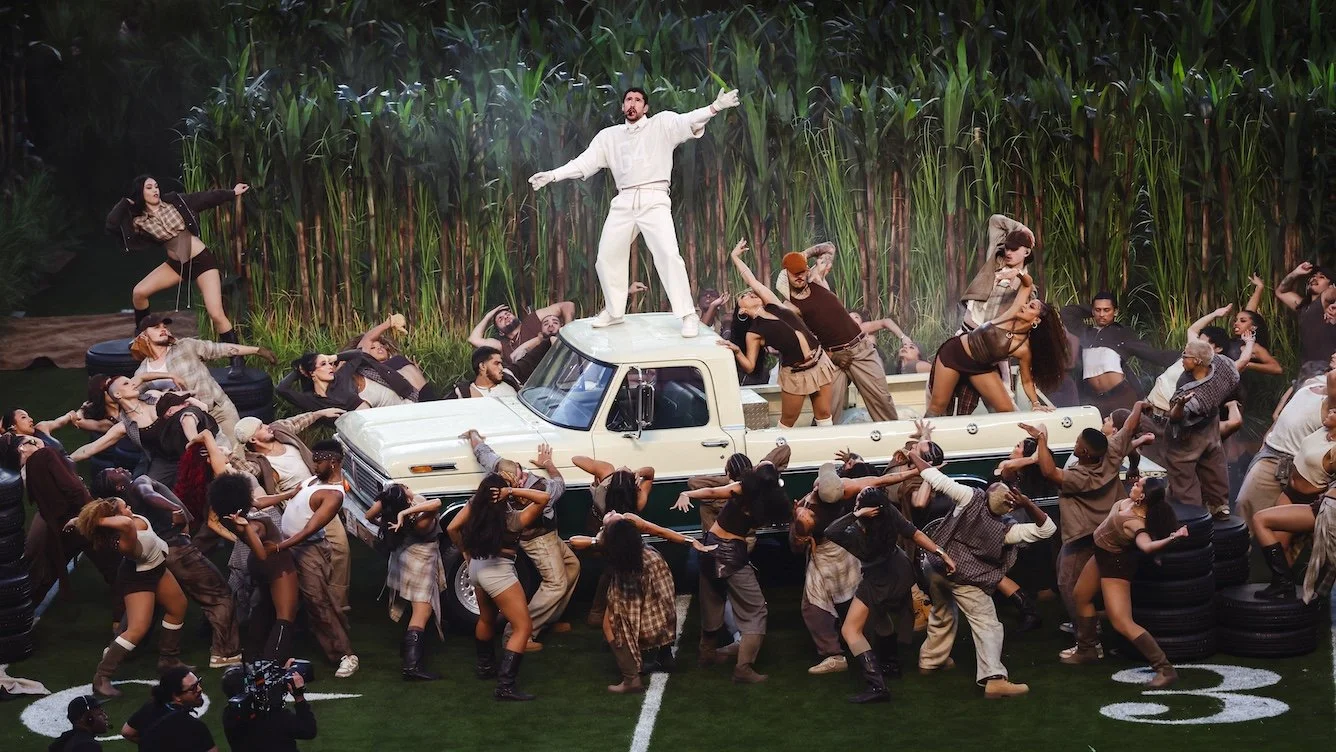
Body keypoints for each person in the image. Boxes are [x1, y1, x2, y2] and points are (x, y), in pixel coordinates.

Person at [528, 85, 742, 338]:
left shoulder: (661, 124)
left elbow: (688, 120)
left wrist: (715, 107)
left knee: (668, 255)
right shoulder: (609, 136)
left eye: (638, 100)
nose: (632, 104)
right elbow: (584, 162)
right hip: (624, 199)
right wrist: (553, 175)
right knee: (606, 257)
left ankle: (687, 314)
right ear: (622, 106)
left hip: (655, 197)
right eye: (628, 99)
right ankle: (614, 311)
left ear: (646, 107)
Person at [908, 449, 1057, 699]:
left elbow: (934, 477)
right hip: (965, 579)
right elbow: (1048, 530)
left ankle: (931, 661)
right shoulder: (1008, 531)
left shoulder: (969, 497)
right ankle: (994, 679)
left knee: (943, 611)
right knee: (988, 624)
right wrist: (1028, 504)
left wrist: (913, 454)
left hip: (935, 567)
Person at [1020, 403, 1148, 644]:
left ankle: (1087, 635)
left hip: (1086, 536)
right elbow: (1129, 427)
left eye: (1078, 442)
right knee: (1067, 572)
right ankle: (1089, 624)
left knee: (1068, 583)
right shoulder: (1110, 452)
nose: (1075, 443)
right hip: (1108, 529)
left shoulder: (1081, 477)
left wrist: (1041, 440)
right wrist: (1139, 406)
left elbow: (1049, 472)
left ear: (1085, 453)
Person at [788, 459, 928, 677]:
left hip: (845, 550)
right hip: (837, 553)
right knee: (819, 606)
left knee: (857, 606)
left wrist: (918, 471)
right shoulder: (824, 498)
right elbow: (883, 480)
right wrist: (920, 471)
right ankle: (841, 654)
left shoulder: (824, 505)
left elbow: (883, 480)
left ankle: (873, 661)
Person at [93, 468, 241, 669]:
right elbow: (148, 493)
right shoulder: (139, 482)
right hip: (176, 550)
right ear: (119, 487)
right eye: (116, 472)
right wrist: (175, 509)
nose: (121, 468)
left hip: (150, 558)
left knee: (145, 610)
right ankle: (225, 653)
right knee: (219, 595)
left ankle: (119, 651)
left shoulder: (121, 510)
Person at [825, 486, 956, 703]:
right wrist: (942, 554)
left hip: (879, 579)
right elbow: (915, 534)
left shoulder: (856, 535)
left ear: (866, 510)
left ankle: (877, 686)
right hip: (900, 570)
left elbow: (830, 531)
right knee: (880, 616)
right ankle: (891, 665)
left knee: (850, 630)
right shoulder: (889, 513)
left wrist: (856, 514)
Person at [1062, 477, 1188, 689]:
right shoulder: (1129, 503)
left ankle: (1165, 669)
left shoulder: (1135, 523)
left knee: (1121, 621)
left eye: (1138, 485)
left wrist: (1173, 538)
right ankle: (1087, 649)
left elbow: (1147, 546)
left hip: (1116, 564)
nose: (1134, 484)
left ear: (1143, 496)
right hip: (1102, 554)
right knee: (1080, 596)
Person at [675, 462, 791, 683]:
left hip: (710, 547)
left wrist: (686, 493)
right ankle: (743, 668)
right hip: (731, 554)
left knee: (712, 600)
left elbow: (712, 493)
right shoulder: (770, 502)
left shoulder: (742, 488)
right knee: (756, 610)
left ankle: (707, 654)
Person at [462, 430, 578, 649]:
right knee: (556, 583)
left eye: (518, 478)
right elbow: (559, 484)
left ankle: (548, 619)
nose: (518, 482)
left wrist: (472, 434)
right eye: (512, 482)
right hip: (539, 539)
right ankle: (520, 633)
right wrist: (549, 465)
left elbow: (482, 451)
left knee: (572, 566)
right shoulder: (539, 488)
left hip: (546, 535)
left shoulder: (498, 469)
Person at [569, 512, 708, 693]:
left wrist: (690, 540)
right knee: (659, 613)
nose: (612, 512)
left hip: (636, 573)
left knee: (612, 624)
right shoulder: (617, 531)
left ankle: (631, 679)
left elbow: (660, 531)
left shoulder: (611, 536)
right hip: (653, 565)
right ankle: (665, 658)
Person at [447, 473, 552, 701]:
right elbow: (544, 498)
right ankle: (505, 686)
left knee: (486, 619)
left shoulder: (475, 512)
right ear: (503, 495)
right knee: (523, 627)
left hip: (476, 568)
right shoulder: (512, 519)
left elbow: (452, 528)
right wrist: (511, 491)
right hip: (498, 573)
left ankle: (485, 668)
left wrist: (465, 553)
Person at [105, 175, 246, 342]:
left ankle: (237, 355)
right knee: (139, 292)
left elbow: (205, 198)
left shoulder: (175, 202)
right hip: (177, 266)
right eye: (149, 188)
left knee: (216, 314)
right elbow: (112, 224)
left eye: (156, 186)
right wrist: (125, 202)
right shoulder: (138, 221)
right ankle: (143, 336)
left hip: (202, 262)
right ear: (140, 193)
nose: (155, 190)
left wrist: (232, 192)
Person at [234, 409, 350, 609]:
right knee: (310, 556)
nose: (267, 426)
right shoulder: (259, 463)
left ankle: (339, 602)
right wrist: (228, 455)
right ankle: (315, 603)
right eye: (261, 427)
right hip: (301, 510)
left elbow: (297, 421)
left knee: (340, 549)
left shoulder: (280, 432)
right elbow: (242, 470)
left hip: (322, 495)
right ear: (253, 439)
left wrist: (321, 412)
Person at [75, 498, 189, 698]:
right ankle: (102, 676)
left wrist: (83, 519)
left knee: (178, 606)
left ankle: (168, 660)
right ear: (114, 519)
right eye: (124, 507)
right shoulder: (125, 538)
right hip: (139, 578)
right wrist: (93, 520)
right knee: (137, 629)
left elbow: (125, 518)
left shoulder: (127, 520)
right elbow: (126, 523)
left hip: (157, 569)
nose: (130, 508)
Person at [720, 240, 837, 428]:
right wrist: (737, 351)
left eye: (749, 293)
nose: (750, 294)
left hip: (819, 362)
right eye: (743, 296)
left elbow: (751, 280)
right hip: (797, 373)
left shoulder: (772, 303)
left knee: (824, 416)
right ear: (742, 311)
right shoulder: (753, 333)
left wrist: (735, 257)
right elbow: (750, 366)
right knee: (788, 422)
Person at [779, 246, 898, 423]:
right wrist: (832, 356)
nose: (800, 277)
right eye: (794, 273)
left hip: (860, 349)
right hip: (831, 358)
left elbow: (829, 248)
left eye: (802, 272)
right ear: (785, 274)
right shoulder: (790, 306)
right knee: (826, 412)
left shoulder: (816, 278)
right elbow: (802, 341)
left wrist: (803, 255)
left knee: (882, 401)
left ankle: (896, 439)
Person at [926, 270, 1069, 416]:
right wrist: (1017, 273)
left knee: (1006, 410)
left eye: (1031, 307)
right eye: (1027, 303)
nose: (1024, 306)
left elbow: (1027, 381)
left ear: (1036, 320)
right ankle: (920, 430)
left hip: (980, 368)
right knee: (937, 407)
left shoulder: (1023, 349)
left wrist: (1036, 403)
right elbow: (1028, 284)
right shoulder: (1012, 312)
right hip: (954, 354)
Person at [0, 433, 119, 607]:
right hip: (78, 518)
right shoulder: (44, 455)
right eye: (31, 442)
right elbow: (73, 488)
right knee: (113, 564)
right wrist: (92, 511)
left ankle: (20, 612)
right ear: (22, 448)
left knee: (46, 573)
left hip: (58, 526)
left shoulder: (26, 471)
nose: (37, 443)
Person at [273, 440, 359, 678]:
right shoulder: (311, 481)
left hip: (308, 551)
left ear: (333, 462)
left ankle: (346, 655)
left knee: (319, 602)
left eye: (318, 461)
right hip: (292, 547)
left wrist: (278, 547)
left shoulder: (334, 494)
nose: (314, 465)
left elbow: (308, 530)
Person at [132, 315, 276, 439]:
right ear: (143, 335)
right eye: (156, 327)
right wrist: (162, 377)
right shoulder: (143, 371)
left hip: (218, 409)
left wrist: (257, 350)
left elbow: (220, 349)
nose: (163, 329)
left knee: (237, 454)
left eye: (164, 326)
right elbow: (129, 393)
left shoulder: (185, 346)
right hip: (189, 421)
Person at [208, 472, 299, 664]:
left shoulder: (230, 518)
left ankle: (252, 656)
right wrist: (247, 528)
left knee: (263, 607)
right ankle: (273, 662)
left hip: (256, 566)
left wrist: (289, 493)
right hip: (277, 565)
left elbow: (259, 502)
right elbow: (262, 553)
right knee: (285, 616)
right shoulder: (251, 524)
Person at [1237, 363, 1335, 528]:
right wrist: (1267, 438)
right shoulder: (1311, 382)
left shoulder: (1331, 402)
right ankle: (1244, 544)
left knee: (1272, 523)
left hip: (1291, 462)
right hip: (1271, 452)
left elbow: (1333, 378)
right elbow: (1281, 415)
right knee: (1246, 506)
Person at [1252, 409, 1336, 599]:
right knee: (1279, 547)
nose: (1331, 410)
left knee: (1261, 520)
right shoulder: (1323, 430)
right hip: (1290, 492)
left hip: (1313, 500)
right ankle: (1284, 588)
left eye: (1335, 411)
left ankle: (1302, 594)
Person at [366, 484, 446, 681]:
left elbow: (369, 515)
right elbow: (437, 503)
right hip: (419, 560)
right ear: (405, 499)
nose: (409, 487)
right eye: (405, 487)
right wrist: (405, 513)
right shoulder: (419, 521)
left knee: (415, 607)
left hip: (403, 555)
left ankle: (408, 649)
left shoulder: (394, 509)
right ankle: (411, 665)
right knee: (422, 611)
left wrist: (388, 519)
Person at [1060, 292, 1179, 417]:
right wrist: (1094, 309)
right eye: (1098, 310)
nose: (1102, 314)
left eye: (1107, 310)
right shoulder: (1085, 332)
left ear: (1115, 311)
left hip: (1120, 395)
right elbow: (1067, 313)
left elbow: (1152, 354)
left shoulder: (1122, 334)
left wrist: (1182, 355)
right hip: (1093, 398)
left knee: (1126, 426)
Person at [572, 456, 654, 627]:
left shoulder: (606, 473)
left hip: (598, 531)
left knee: (609, 569)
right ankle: (611, 612)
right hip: (623, 538)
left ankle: (597, 613)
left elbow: (576, 459)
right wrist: (638, 473)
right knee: (617, 570)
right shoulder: (638, 500)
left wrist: (601, 471)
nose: (625, 465)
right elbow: (650, 473)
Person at [1165, 339, 1241, 517]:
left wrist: (1180, 405)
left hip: (1193, 434)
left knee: (1190, 469)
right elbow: (1236, 370)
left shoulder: (1194, 387)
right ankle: (1208, 507)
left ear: (1197, 361)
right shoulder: (1220, 366)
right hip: (1206, 428)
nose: (1182, 358)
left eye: (1185, 355)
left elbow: (1176, 417)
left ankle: (1200, 511)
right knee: (1212, 464)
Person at [959, 214, 1036, 332]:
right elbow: (995, 220)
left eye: (1014, 249)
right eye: (1007, 248)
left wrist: (1016, 274)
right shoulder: (995, 260)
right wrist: (1021, 228)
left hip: (995, 335)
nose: (1008, 253)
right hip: (967, 330)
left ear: (1026, 252)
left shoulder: (1025, 282)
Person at [277, 350, 419, 412]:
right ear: (312, 373)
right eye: (323, 364)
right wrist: (299, 370)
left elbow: (359, 355)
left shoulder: (341, 376)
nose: (330, 367)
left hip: (405, 405)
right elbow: (281, 389)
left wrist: (334, 357)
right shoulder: (311, 399)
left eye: (329, 364)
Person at [469, 300, 575, 382]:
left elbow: (567, 305)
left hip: (555, 372)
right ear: (501, 332)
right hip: (528, 384)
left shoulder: (531, 320)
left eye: (507, 314)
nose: (505, 317)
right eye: (500, 319)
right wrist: (489, 316)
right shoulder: (502, 345)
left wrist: (568, 331)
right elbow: (473, 339)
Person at [221, 662, 317, 752]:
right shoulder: (276, 717)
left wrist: (282, 672)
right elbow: (309, 730)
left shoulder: (229, 716)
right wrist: (299, 697)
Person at [121, 666, 216, 752]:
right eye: (193, 688)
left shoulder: (149, 708)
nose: (199, 689)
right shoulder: (194, 726)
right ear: (176, 696)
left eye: (198, 683)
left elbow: (127, 732)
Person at [351, 313, 435, 400]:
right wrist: (389, 323)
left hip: (420, 395)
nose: (379, 348)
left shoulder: (396, 363)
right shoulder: (367, 367)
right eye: (373, 348)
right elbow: (367, 339)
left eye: (381, 346)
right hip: (411, 398)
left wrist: (416, 371)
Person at [1274, 262, 1336, 363]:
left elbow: (1333, 293)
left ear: (1330, 286)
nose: (1315, 278)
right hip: (1308, 366)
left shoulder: (1325, 297)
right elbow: (1281, 292)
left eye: (1322, 277)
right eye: (1313, 276)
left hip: (1327, 365)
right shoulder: (1303, 306)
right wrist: (1296, 272)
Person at [444, 346, 522, 399]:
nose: (501, 368)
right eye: (496, 364)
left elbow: (528, 359)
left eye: (501, 364)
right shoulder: (463, 393)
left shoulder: (509, 377)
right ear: (482, 366)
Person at [3, 407, 78, 452]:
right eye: (23, 417)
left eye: (28, 416)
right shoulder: (17, 447)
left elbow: (58, 422)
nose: (31, 419)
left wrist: (69, 415)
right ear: (13, 426)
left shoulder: (41, 428)